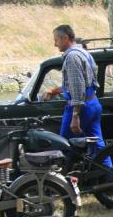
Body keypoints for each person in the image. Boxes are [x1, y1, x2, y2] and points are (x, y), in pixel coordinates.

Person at [43, 24, 105, 154]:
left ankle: (67, 173)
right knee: (98, 146)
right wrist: (55, 91)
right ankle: (108, 173)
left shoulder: (72, 57)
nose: (55, 44)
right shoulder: (84, 53)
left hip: (81, 107)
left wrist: (75, 115)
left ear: (65, 38)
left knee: (65, 144)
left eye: (56, 40)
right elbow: (84, 82)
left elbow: (77, 86)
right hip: (93, 103)